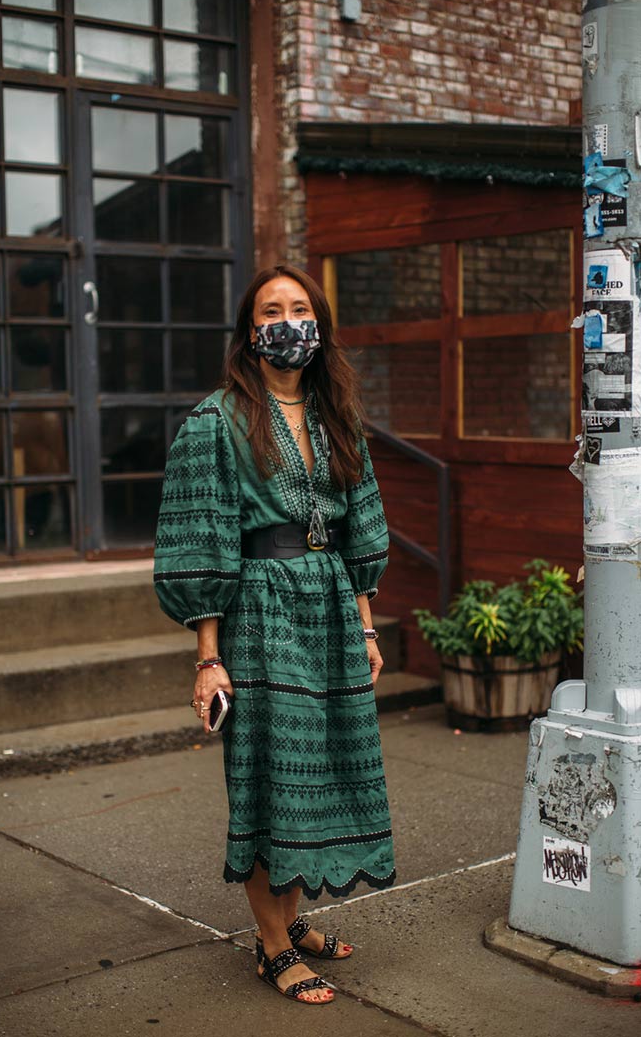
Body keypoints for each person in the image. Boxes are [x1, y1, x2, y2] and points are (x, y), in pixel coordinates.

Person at [154, 264, 396, 1005]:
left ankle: (292, 921)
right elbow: (202, 537)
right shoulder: (216, 421)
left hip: (329, 609)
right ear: (249, 331)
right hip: (260, 612)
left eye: (300, 308)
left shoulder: (338, 416)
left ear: (319, 326)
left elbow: (361, 525)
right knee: (268, 776)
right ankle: (271, 945)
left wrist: (364, 626)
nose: (287, 321)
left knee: (322, 770)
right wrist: (207, 658)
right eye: (272, 310)